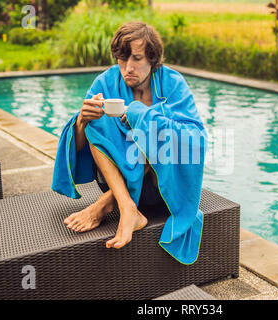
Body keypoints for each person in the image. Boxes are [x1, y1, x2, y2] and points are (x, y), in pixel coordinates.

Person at [52, 21, 208, 264]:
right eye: (122, 59)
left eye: (136, 58)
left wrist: (141, 115)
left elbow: (195, 139)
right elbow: (81, 145)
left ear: (152, 59)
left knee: (155, 130)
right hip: (113, 181)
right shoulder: (105, 83)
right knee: (96, 122)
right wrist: (82, 120)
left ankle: (106, 204)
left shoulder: (173, 84)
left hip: (161, 189)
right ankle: (127, 208)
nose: (128, 68)